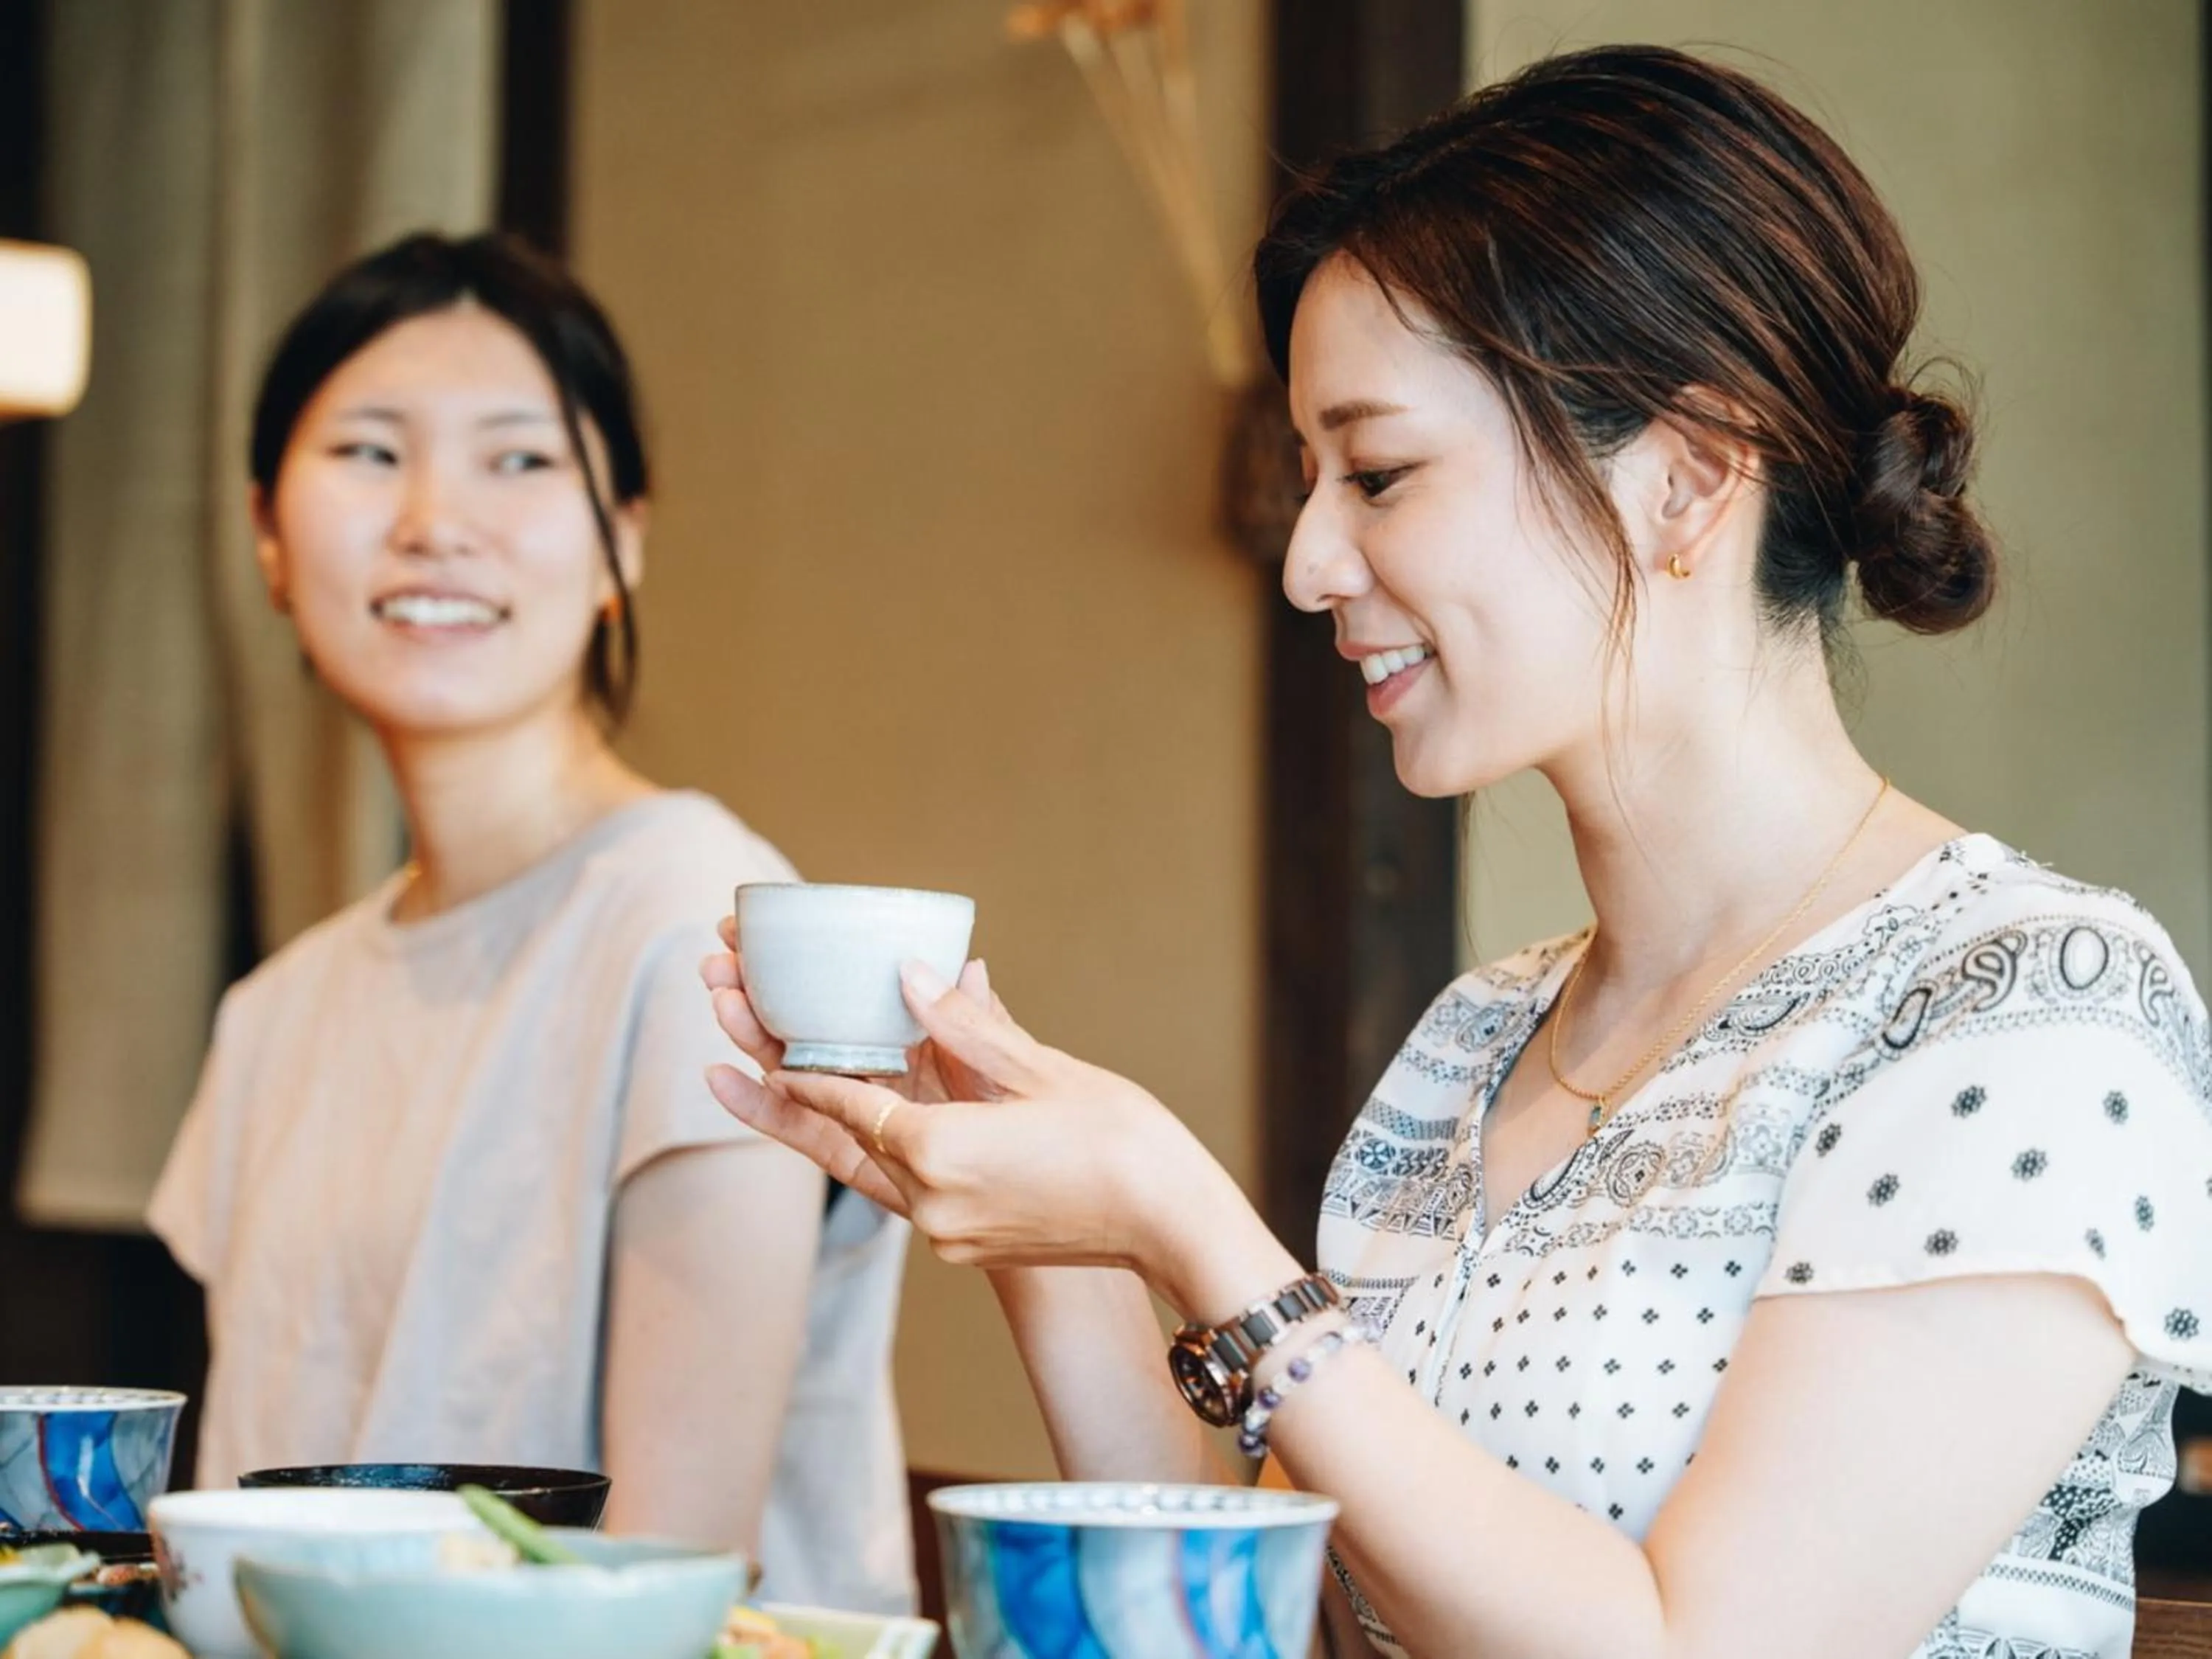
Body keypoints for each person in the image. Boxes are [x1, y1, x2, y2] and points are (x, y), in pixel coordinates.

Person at [703, 46, 2212, 1658]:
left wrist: (1187, 1222)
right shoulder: (1478, 1041)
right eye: (1310, 482)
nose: (1306, 564)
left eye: (1381, 473)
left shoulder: (2026, 1010)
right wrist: (1059, 1243)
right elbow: (1265, 1637)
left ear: (1687, 477)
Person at [150, 232, 913, 1614]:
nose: (438, 519)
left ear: (625, 538)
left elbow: (669, 1582)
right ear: (267, 532)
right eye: (371, 453)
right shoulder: (276, 1011)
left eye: (518, 458)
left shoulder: (703, 929)